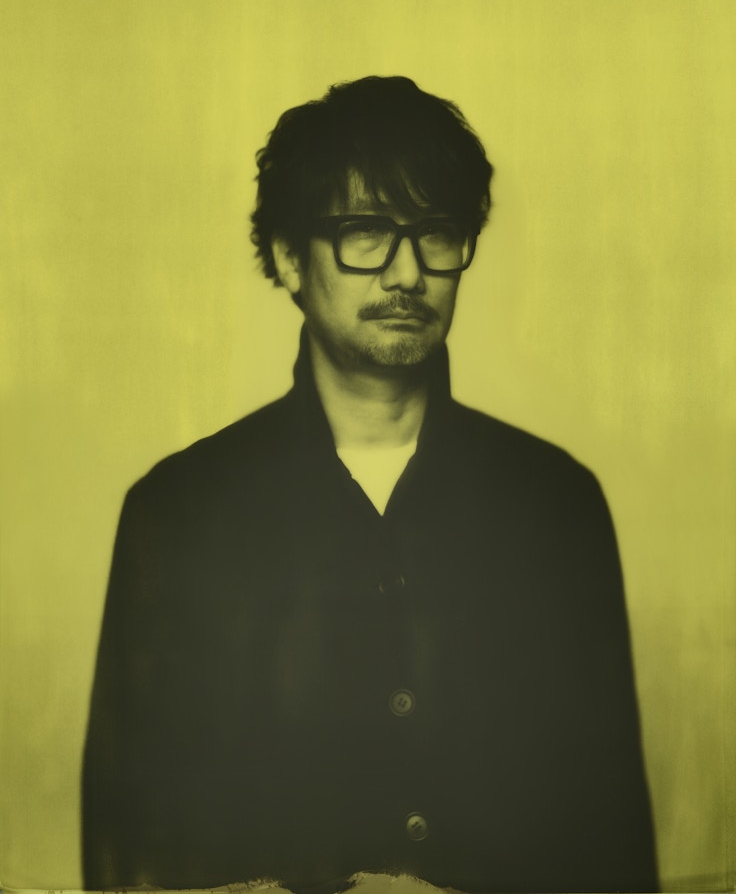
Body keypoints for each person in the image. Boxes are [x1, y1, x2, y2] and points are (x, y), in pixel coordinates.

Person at [82, 76, 658, 893]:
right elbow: (130, 854)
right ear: (289, 256)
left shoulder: (557, 506)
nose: (407, 273)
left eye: (437, 233)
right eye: (365, 232)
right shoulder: (176, 514)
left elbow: (613, 847)